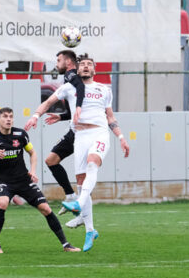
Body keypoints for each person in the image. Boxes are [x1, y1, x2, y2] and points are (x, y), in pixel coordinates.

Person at [25, 54, 130, 252]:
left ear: (94, 70)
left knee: (92, 163)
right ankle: (90, 230)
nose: (86, 67)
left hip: (99, 133)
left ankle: (78, 204)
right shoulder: (69, 87)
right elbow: (47, 103)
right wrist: (35, 116)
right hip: (80, 136)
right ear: (77, 69)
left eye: (89, 64)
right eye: (82, 64)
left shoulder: (104, 89)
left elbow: (110, 117)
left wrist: (121, 137)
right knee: (81, 183)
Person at [0, 107, 80, 254]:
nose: (8, 119)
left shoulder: (21, 134)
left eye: (11, 116)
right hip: (5, 181)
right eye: (5, 116)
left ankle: (66, 244)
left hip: (24, 180)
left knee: (46, 209)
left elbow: (32, 152)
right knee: (2, 203)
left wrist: (32, 171)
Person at [43, 50, 86, 229]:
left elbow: (81, 102)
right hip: (73, 132)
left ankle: (83, 215)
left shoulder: (71, 75)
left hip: (85, 133)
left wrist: (77, 108)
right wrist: (60, 117)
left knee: (83, 176)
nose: (56, 64)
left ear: (68, 62)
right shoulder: (71, 80)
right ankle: (70, 195)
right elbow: (75, 108)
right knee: (51, 160)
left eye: (59, 60)